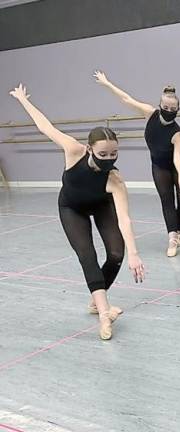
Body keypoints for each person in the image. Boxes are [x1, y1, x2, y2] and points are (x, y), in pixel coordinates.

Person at [9, 84, 146, 340]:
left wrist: (134, 255)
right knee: (87, 254)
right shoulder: (73, 150)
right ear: (89, 148)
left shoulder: (115, 180)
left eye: (114, 153)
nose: (109, 158)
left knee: (116, 254)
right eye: (103, 153)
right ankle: (104, 312)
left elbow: (125, 218)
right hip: (72, 208)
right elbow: (45, 127)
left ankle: (97, 300)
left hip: (100, 204)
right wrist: (23, 100)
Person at [94, 71, 180, 258]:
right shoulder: (150, 114)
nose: (169, 111)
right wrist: (107, 83)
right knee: (167, 200)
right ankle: (172, 237)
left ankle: (179, 232)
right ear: (160, 105)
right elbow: (126, 99)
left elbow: (178, 158)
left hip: (178, 165)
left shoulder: (177, 134)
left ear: (178, 110)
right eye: (166, 107)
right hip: (159, 166)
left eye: (173, 109)